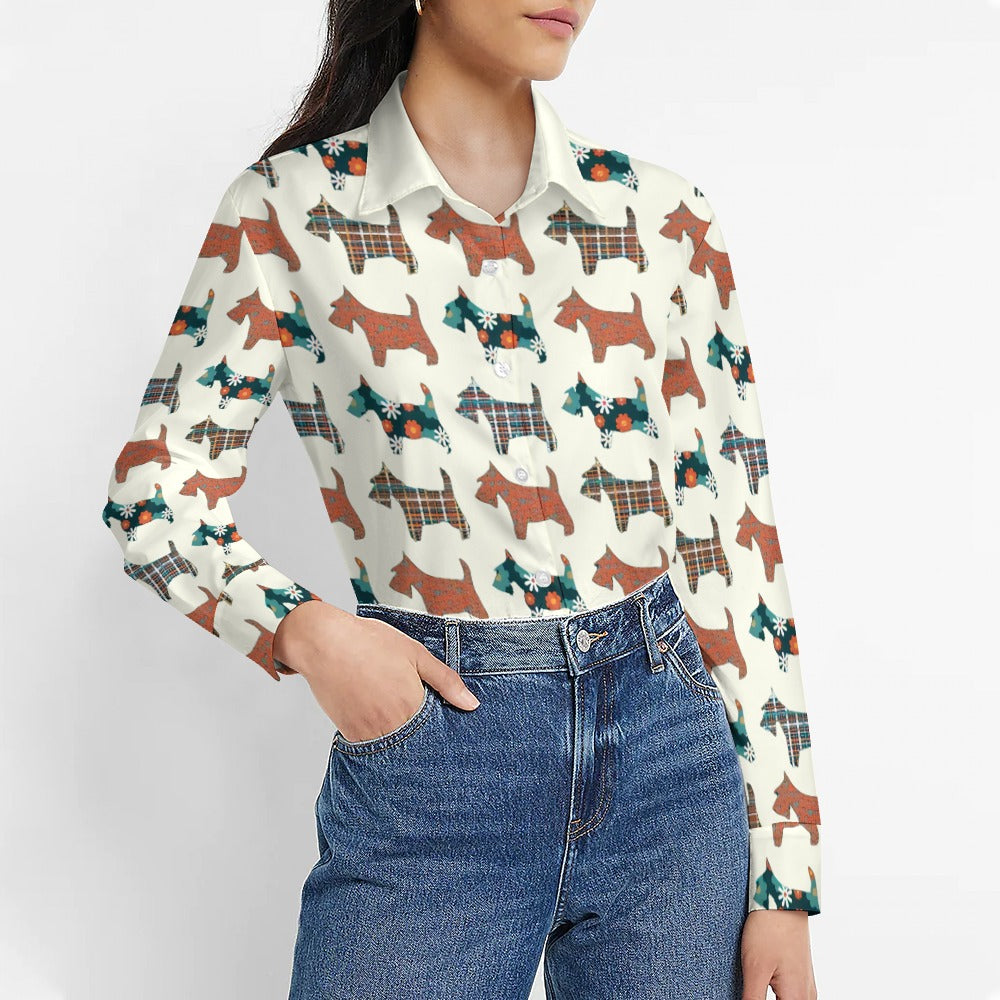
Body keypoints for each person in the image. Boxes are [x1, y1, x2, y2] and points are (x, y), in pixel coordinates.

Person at [100, 1, 824, 997]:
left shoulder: (660, 218)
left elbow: (732, 537)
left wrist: (784, 876)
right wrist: (311, 633)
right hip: (436, 756)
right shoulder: (288, 211)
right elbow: (155, 492)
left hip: (671, 758)